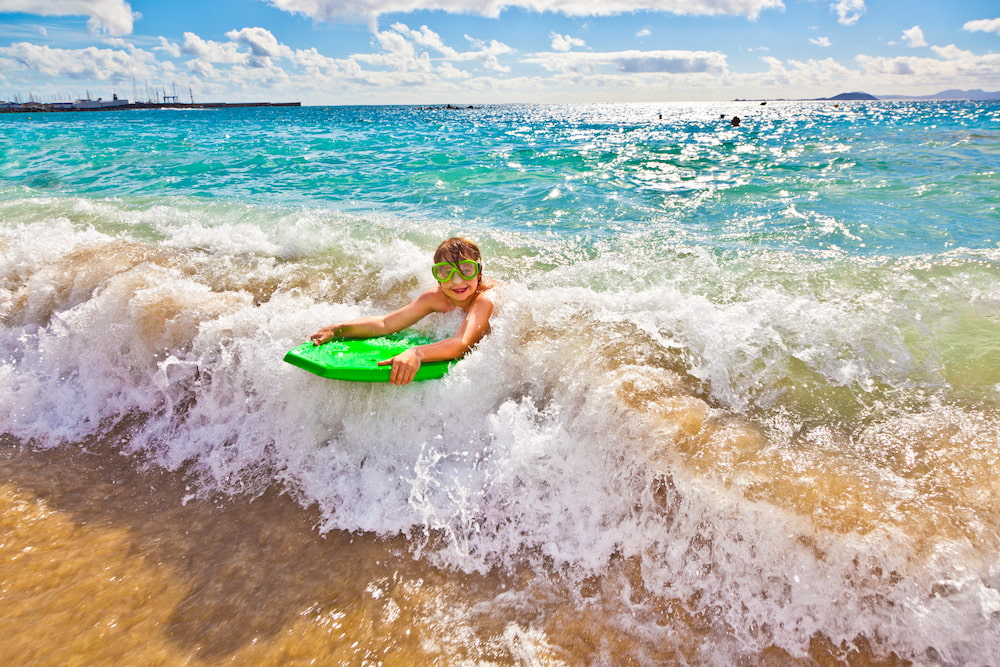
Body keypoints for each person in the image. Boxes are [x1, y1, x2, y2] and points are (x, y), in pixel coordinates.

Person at [309, 237, 496, 385]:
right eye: (446, 272)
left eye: (466, 270)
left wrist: (416, 353)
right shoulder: (436, 298)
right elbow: (386, 324)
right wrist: (338, 329)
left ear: (479, 272)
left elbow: (462, 344)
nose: (457, 280)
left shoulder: (487, 298)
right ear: (437, 277)